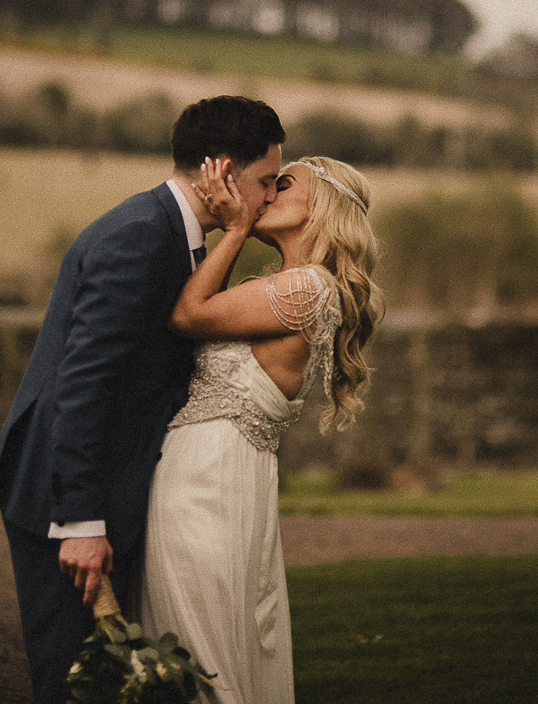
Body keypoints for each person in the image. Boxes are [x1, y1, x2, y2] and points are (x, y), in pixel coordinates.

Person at [0, 95, 285, 704]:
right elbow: (82, 385)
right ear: (220, 171)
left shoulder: (183, 237)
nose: (271, 196)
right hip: (59, 498)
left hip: (105, 485)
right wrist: (81, 523)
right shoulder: (140, 238)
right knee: (77, 682)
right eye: (266, 181)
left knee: (123, 683)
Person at [138, 155, 383, 704]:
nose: (266, 193)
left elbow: (187, 316)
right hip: (217, 476)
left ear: (322, 205)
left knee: (198, 653)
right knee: (200, 639)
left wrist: (236, 228)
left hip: (209, 482)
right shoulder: (288, 286)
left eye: (282, 184)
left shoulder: (308, 290)